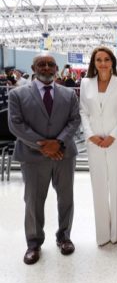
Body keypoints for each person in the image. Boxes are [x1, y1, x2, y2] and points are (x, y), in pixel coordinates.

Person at [8, 53, 80, 264]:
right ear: (33, 67)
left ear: (56, 68)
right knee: (33, 201)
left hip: (64, 154)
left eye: (50, 64)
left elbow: (74, 120)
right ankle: (33, 243)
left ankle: (64, 237)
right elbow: (16, 125)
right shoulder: (17, 94)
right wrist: (44, 145)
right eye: (42, 64)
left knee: (66, 198)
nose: (46, 67)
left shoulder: (69, 94)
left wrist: (58, 143)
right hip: (32, 157)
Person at [80, 47, 117, 246]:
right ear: (94, 63)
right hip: (94, 144)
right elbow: (83, 111)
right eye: (98, 60)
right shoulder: (85, 83)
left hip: (115, 142)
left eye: (106, 59)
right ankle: (102, 235)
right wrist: (90, 135)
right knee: (98, 188)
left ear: (112, 62)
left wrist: (113, 136)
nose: (102, 63)